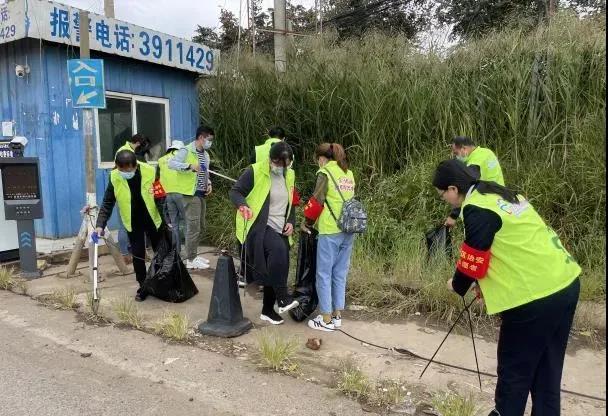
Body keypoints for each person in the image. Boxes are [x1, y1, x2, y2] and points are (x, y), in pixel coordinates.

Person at [433, 159, 581, 416]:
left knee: (514, 374)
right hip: (565, 283)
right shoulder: (503, 194)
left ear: (453, 189)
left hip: (535, 299)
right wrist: (483, 284)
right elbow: (515, 246)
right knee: (547, 374)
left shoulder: (476, 208)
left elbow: (473, 260)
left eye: (442, 194)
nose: (444, 199)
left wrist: (457, 285)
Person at [229, 141, 299, 325]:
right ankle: (283, 298)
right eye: (276, 163)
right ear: (270, 159)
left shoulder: (290, 175)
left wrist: (291, 221)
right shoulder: (255, 171)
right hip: (258, 225)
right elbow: (235, 192)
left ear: (290, 163)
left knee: (277, 265)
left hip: (280, 226)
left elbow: (292, 202)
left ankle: (268, 310)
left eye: (283, 165)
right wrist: (242, 205)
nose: (279, 168)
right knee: (278, 251)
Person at [95, 150, 164, 301]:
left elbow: (160, 196)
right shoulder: (114, 176)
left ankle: (160, 282)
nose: (125, 172)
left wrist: (168, 219)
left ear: (135, 165)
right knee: (138, 256)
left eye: (129, 169)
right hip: (133, 221)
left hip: (152, 218)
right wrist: (100, 224)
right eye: (121, 169)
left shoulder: (150, 171)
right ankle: (143, 286)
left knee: (161, 252)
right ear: (117, 167)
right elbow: (107, 203)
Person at [302, 143, 356, 332]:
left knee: (324, 274)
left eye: (318, 159)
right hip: (348, 230)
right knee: (339, 273)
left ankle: (325, 319)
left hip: (330, 230)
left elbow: (316, 202)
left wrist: (307, 223)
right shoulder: (348, 174)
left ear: (323, 158)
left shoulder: (325, 173)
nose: (318, 163)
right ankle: (337, 316)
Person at [168, 126, 214, 270]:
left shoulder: (205, 155)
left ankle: (193, 254)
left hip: (201, 193)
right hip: (190, 193)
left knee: (200, 225)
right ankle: (190, 259)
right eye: (209, 139)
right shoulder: (186, 150)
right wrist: (189, 166)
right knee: (193, 227)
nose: (210, 142)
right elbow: (171, 164)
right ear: (201, 137)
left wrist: (209, 183)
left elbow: (206, 173)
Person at [445, 136, 504, 228]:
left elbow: (466, 185)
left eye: (456, 153)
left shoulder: (475, 161)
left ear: (464, 148)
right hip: (501, 198)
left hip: (489, 203)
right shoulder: (487, 152)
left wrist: (453, 216)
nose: (456, 157)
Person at [157, 140, 185, 253]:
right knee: (188, 224)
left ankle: (176, 252)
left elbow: (159, 178)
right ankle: (191, 256)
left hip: (168, 195)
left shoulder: (161, 160)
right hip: (182, 194)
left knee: (174, 224)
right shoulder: (183, 157)